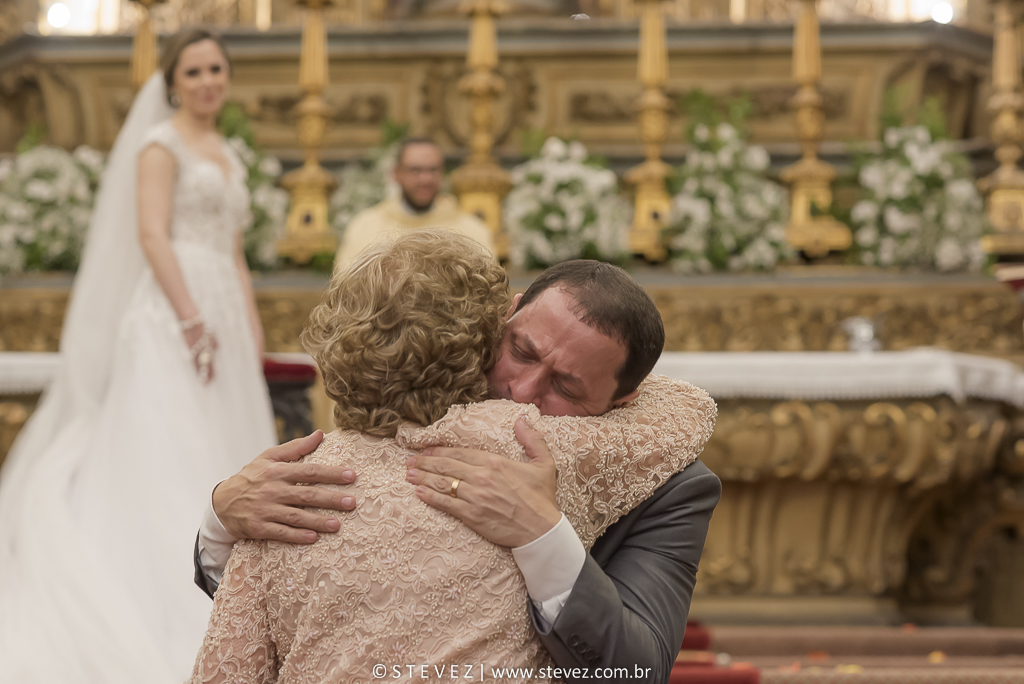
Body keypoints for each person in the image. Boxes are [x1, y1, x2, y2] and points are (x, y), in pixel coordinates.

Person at [188, 230, 714, 682]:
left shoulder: (666, 479)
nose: (522, 391)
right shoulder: (393, 412)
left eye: (567, 388)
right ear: (502, 318)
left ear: (624, 401)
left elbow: (637, 670)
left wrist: (544, 536)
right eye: (521, 351)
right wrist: (222, 518)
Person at [0, 28, 276, 683]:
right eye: (195, 70)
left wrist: (250, 328)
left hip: (225, 313)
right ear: (172, 81)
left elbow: (234, 252)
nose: (208, 80)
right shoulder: (161, 144)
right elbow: (152, 233)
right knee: (168, 446)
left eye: (217, 69)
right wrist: (189, 319)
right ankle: (165, 590)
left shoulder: (228, 153)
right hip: (168, 315)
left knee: (226, 443)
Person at [332, 137, 495, 271]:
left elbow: (487, 289)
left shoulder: (471, 231)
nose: (425, 179)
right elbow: (347, 289)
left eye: (433, 170)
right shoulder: (365, 226)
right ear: (396, 174)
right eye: (415, 170)